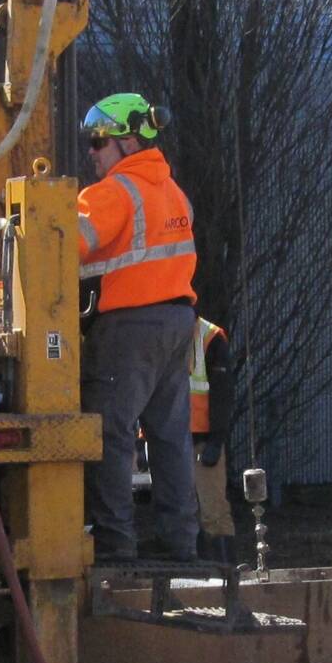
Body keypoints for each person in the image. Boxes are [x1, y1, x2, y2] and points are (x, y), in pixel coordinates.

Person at [74, 92, 199, 563]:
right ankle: (179, 543)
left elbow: (58, 250)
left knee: (111, 434)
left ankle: (115, 545)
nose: (92, 151)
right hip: (177, 320)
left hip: (129, 327)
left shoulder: (111, 194)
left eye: (98, 141)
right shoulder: (172, 191)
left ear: (127, 140)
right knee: (170, 437)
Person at [188, 315, 238, 562]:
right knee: (187, 516)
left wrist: (216, 441)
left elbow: (222, 394)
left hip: (201, 440)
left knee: (213, 513)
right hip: (176, 442)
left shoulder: (210, 337)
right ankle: (201, 576)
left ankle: (224, 577)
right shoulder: (171, 332)